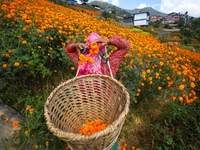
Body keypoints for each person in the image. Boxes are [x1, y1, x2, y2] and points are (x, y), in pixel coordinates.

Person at [65, 32, 130, 78]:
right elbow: (126, 46)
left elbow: (69, 51)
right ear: (102, 50)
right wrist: (109, 41)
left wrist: (75, 45)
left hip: (82, 97)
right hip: (106, 97)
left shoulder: (82, 63)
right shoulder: (108, 65)